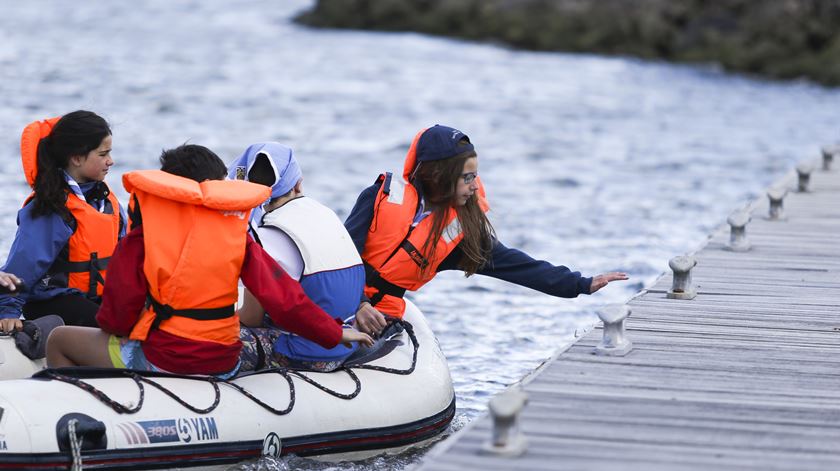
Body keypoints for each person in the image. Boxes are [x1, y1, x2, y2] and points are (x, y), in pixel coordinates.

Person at [46, 144, 372, 377]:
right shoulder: (238, 236)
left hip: (165, 359)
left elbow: (115, 320)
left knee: (59, 339)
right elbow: (287, 300)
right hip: (224, 361)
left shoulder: (140, 240)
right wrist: (334, 333)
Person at [344, 125, 629, 333]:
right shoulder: (378, 197)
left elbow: (520, 266)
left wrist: (580, 284)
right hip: (342, 300)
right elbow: (338, 256)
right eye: (467, 177)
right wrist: (359, 304)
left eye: (476, 176)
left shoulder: (459, 236)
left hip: (381, 319)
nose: (475, 186)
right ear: (438, 175)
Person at [230, 142, 370, 372]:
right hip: (346, 344)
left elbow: (251, 318)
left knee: (212, 337)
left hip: (305, 353)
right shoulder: (325, 213)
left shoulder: (266, 235)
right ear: (298, 183)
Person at [0, 111, 125, 333]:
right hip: (51, 302)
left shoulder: (105, 202)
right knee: (111, 325)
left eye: (110, 153)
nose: (111, 161)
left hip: (94, 297)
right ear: (76, 158)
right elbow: (23, 265)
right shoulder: (51, 208)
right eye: (103, 154)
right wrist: (8, 311)